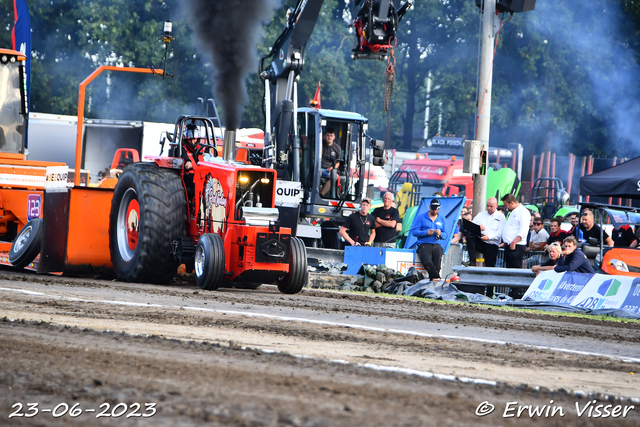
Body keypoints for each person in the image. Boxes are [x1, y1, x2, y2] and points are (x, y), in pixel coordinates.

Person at [410, 198, 447, 280]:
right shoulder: (421, 217)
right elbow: (414, 232)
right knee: (427, 263)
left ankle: (433, 283)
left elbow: (446, 235)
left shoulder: (442, 219)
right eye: (432, 209)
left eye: (436, 209)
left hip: (437, 244)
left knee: (437, 266)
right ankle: (437, 278)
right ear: (429, 207)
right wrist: (426, 233)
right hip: (424, 244)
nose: (434, 211)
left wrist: (440, 234)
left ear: (439, 208)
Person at [465, 197, 506, 268]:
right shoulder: (480, 215)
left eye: (491, 206)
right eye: (487, 206)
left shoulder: (501, 217)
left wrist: (489, 237)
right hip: (480, 240)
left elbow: (500, 232)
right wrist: (478, 227)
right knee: (470, 237)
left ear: (496, 205)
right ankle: (472, 261)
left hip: (492, 244)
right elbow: (471, 226)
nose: (489, 208)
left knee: (490, 266)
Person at [501, 194, 531, 269]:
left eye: (506, 205)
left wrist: (514, 242)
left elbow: (523, 230)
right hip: (509, 245)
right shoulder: (512, 212)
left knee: (515, 268)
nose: (506, 207)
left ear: (511, 203)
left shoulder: (523, 212)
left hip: (517, 246)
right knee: (509, 268)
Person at [320, 127, 342, 196]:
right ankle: (318, 191)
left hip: (329, 170)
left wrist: (332, 168)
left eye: (331, 135)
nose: (329, 137)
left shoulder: (337, 148)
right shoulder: (320, 146)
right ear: (324, 136)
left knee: (335, 176)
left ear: (334, 137)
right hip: (319, 168)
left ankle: (322, 194)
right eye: (327, 135)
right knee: (316, 173)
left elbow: (338, 162)